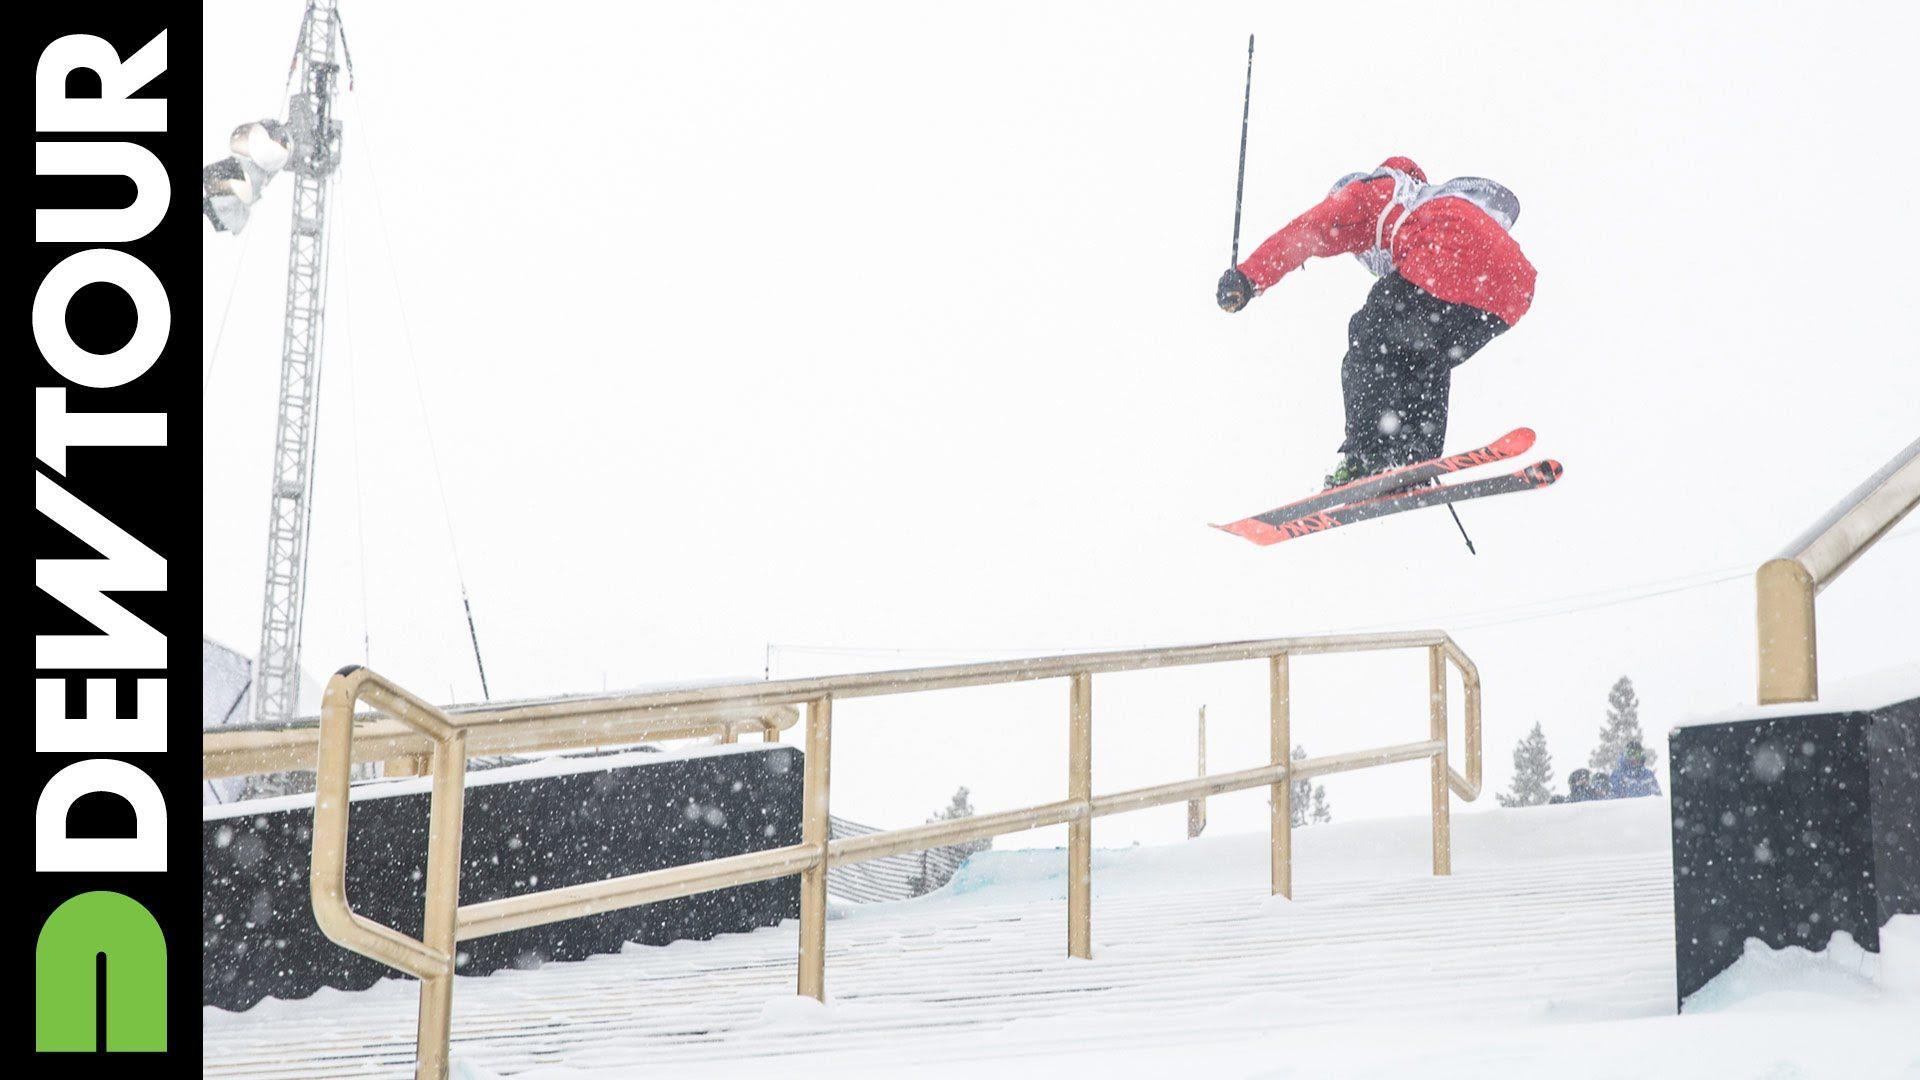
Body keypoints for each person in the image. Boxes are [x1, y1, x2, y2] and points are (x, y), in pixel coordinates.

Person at [1216, 157, 1537, 487]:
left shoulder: (1366, 195)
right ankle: (1415, 458)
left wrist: (1247, 277)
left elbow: (1306, 230)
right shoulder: (1422, 198)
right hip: (1509, 292)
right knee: (1421, 358)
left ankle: (1370, 455)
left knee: (1369, 337)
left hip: (1444, 254)